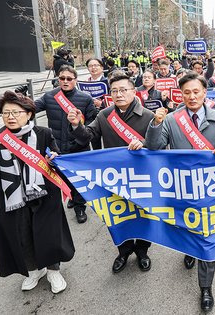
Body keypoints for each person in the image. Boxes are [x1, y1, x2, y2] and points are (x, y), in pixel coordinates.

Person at [0, 91, 75, 294]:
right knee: (21, 236)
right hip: (12, 198)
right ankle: (34, 270)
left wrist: (54, 159)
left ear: (29, 114)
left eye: (16, 112)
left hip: (43, 195)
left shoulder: (43, 134)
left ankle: (53, 271)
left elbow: (56, 158)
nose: (10, 116)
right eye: (6, 112)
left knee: (48, 235)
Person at [145, 72, 215, 312]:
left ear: (205, 92)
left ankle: (206, 287)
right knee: (186, 228)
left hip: (211, 189)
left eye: (196, 91)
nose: (192, 96)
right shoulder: (172, 120)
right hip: (182, 188)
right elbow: (154, 147)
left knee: (208, 236)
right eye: (187, 92)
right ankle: (189, 250)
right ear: (180, 95)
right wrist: (155, 124)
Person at [67, 71, 156, 274]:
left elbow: (157, 146)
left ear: (134, 91)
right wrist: (75, 124)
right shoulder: (105, 115)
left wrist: (143, 143)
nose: (118, 94)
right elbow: (87, 136)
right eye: (114, 91)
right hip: (113, 178)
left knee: (143, 216)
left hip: (141, 177)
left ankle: (142, 251)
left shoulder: (149, 116)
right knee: (116, 217)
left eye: (123, 90)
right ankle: (123, 251)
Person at [35, 65, 97, 223]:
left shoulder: (85, 98)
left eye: (69, 78)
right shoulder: (50, 96)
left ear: (75, 80)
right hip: (57, 148)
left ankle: (80, 208)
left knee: (79, 179)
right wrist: (18, 100)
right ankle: (70, 196)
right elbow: (31, 108)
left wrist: (79, 136)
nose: (65, 81)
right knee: (63, 178)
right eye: (62, 78)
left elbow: (91, 124)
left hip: (79, 147)